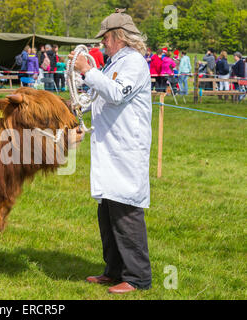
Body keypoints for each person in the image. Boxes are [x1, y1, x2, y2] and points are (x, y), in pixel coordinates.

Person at [68, 8, 152, 294]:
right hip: (110, 148)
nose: (102, 42)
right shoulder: (115, 62)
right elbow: (101, 96)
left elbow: (117, 93)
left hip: (126, 149)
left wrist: (86, 70)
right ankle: (114, 270)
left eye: (104, 37)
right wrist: (77, 103)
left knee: (126, 211)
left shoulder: (135, 63)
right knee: (107, 212)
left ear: (118, 36)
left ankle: (138, 276)